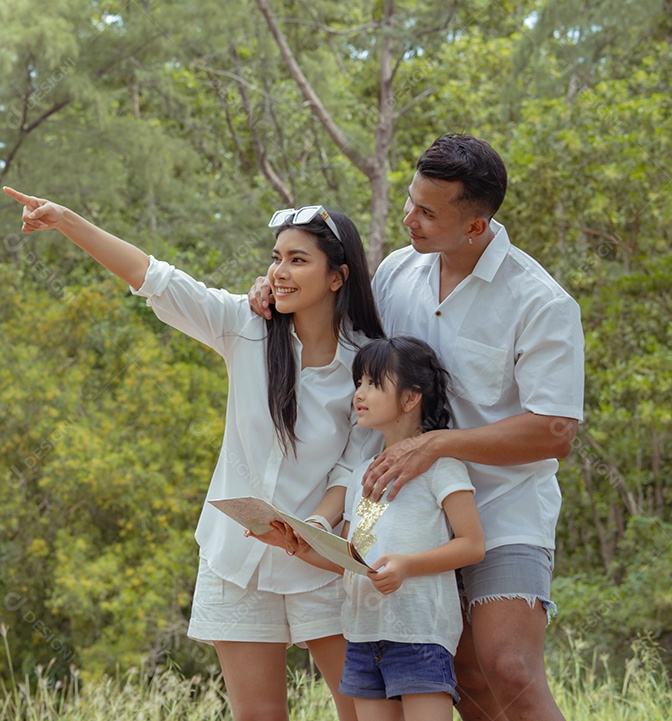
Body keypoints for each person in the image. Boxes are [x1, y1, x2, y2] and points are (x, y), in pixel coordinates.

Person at [3, 185, 385, 721]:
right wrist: (67, 220)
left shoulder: (367, 362)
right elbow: (154, 277)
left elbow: (354, 462)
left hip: (319, 563)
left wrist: (311, 529)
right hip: (237, 559)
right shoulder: (244, 325)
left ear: (337, 276)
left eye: (299, 260)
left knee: (367, 716)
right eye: (276, 258)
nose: (280, 271)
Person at [248, 134, 584, 721]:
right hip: (405, 509)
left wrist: (436, 445)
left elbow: (555, 430)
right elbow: (342, 338)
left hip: (505, 508)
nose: (410, 218)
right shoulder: (398, 272)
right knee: (462, 676)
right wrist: (273, 291)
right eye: (410, 200)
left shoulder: (540, 302)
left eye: (428, 212)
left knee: (509, 667)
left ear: (476, 226)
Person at [250, 335, 485, 721]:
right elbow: (354, 559)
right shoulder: (361, 475)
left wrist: (407, 565)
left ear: (411, 398)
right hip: (361, 637)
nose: (359, 393)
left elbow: (473, 544)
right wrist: (290, 543)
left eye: (374, 383)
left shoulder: (442, 466)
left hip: (420, 635)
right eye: (359, 382)